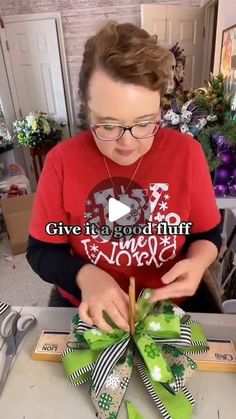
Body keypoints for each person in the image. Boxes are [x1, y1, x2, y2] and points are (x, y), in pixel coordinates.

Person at [27, 21, 222, 333]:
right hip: (90, 309)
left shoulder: (187, 154)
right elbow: (41, 251)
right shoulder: (61, 162)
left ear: (161, 106)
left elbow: (207, 235)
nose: (127, 142)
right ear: (86, 108)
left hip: (172, 307)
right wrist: (86, 275)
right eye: (107, 125)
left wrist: (198, 262)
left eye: (145, 122)